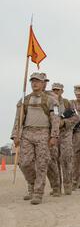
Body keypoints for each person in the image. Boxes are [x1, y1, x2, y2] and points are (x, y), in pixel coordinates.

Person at [10, 72, 60, 204]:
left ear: (43, 83)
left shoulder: (51, 101)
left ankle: (38, 193)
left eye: (37, 81)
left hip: (43, 133)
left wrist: (54, 135)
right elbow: (18, 119)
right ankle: (31, 185)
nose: (35, 83)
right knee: (25, 163)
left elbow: (55, 119)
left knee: (42, 164)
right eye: (32, 81)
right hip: (27, 133)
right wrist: (15, 135)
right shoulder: (24, 100)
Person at [51, 83, 78, 195]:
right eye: (54, 90)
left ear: (62, 91)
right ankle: (56, 188)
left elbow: (75, 117)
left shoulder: (67, 103)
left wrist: (64, 122)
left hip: (65, 134)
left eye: (58, 90)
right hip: (53, 134)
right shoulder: (49, 102)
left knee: (66, 159)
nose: (56, 92)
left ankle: (68, 185)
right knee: (53, 161)